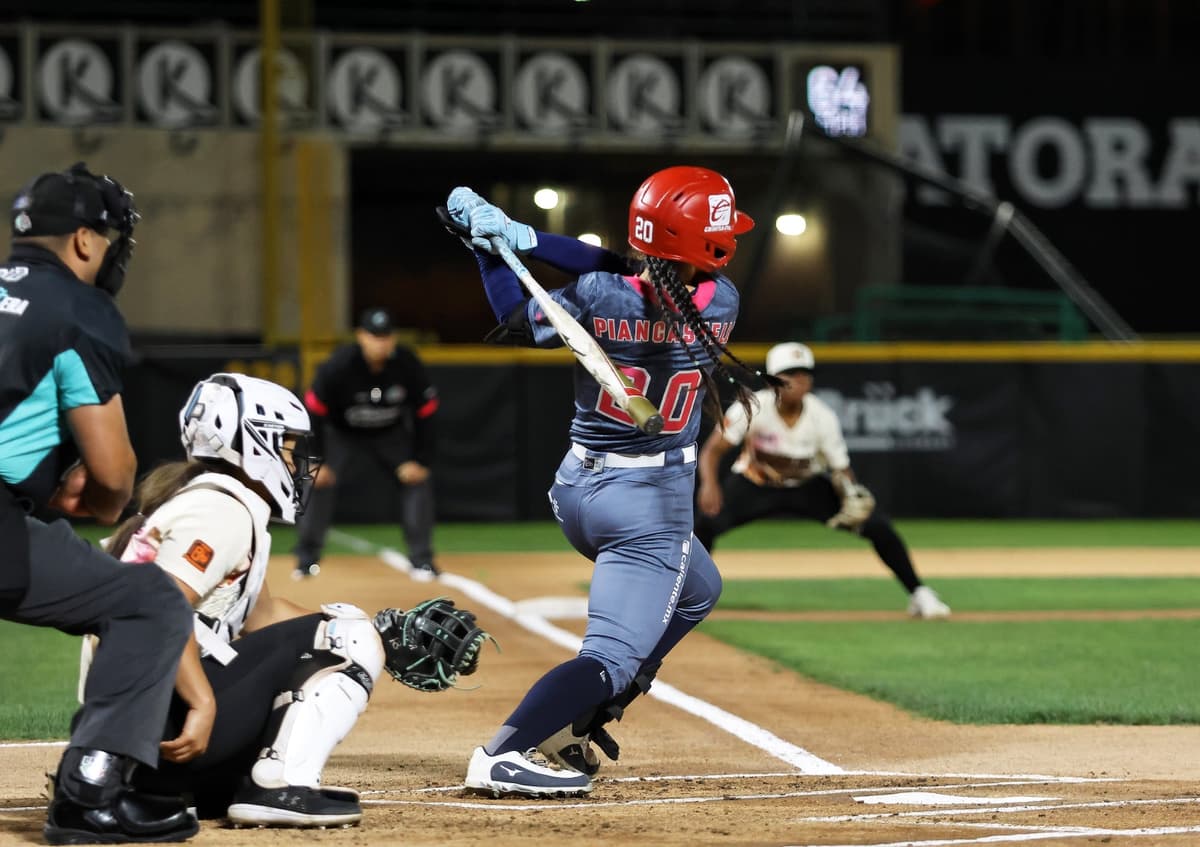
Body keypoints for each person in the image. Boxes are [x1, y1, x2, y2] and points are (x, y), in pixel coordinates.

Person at [441, 165, 769, 797]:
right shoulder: (720, 302)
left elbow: (519, 314)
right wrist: (519, 236)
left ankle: (579, 721)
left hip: (579, 487)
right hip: (648, 508)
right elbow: (632, 267)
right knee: (611, 658)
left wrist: (495, 249)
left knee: (701, 587)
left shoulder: (596, 294)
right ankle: (505, 751)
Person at [92, 373, 491, 829]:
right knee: (346, 631)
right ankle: (279, 785)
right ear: (251, 440)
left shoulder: (205, 499)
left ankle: (219, 782)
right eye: (285, 444)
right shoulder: (220, 508)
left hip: (135, 739)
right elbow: (161, 607)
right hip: (165, 729)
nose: (294, 459)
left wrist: (378, 635)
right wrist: (203, 702)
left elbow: (262, 617)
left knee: (350, 628)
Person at [0, 162, 201, 844]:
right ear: (85, 241)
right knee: (149, 601)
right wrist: (92, 497)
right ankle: (90, 794)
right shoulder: (79, 308)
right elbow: (115, 475)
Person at [695, 342, 951, 619]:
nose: (799, 380)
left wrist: (849, 493)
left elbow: (841, 468)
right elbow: (712, 451)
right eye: (790, 373)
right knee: (702, 526)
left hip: (807, 486)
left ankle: (919, 593)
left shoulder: (822, 415)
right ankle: (684, 597)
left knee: (878, 526)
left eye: (804, 373)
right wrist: (710, 484)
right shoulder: (753, 406)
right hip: (754, 484)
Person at [293, 307, 440, 581]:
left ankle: (422, 561)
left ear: (393, 339)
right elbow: (312, 412)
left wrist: (421, 460)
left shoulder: (406, 364)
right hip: (342, 433)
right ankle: (306, 560)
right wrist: (316, 459)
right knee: (316, 480)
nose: (380, 342)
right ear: (361, 336)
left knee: (416, 482)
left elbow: (427, 411)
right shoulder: (339, 365)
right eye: (374, 336)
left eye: (385, 336)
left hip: (390, 434)